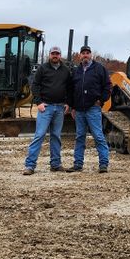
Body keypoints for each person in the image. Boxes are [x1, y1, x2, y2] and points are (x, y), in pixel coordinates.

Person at [22, 46, 72, 175]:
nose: (55, 55)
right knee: (39, 135)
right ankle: (30, 165)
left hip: (60, 108)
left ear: (60, 55)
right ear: (50, 55)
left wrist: (68, 103)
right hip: (46, 108)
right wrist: (39, 102)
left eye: (57, 54)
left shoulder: (66, 70)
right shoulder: (43, 68)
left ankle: (55, 164)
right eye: (53, 53)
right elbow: (35, 85)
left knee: (56, 136)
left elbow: (69, 88)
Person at [67, 45, 112, 173]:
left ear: (91, 55)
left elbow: (108, 86)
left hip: (93, 108)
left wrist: (101, 100)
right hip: (79, 110)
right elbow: (71, 90)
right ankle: (78, 164)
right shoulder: (76, 71)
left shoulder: (99, 69)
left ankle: (103, 164)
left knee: (98, 136)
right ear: (80, 56)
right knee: (80, 137)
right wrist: (72, 107)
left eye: (87, 53)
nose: (85, 55)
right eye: (83, 53)